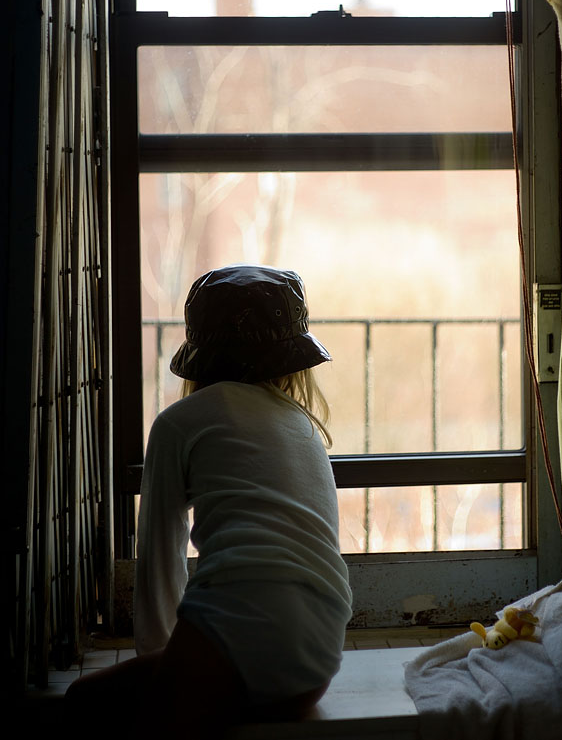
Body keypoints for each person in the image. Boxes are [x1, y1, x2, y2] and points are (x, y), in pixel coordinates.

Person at [66, 264, 352, 737]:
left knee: (82, 702)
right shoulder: (302, 426)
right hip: (318, 654)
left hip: (236, 632)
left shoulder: (181, 422)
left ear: (198, 354)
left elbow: (160, 556)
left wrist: (163, 661)